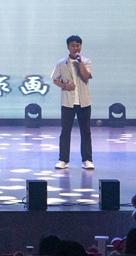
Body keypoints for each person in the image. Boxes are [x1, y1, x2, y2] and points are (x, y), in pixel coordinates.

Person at [52, 34, 94, 170]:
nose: (75, 48)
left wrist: (80, 62)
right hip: (68, 102)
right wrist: (65, 86)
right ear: (68, 47)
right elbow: (55, 79)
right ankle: (63, 160)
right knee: (65, 131)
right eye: (73, 45)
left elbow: (86, 75)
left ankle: (87, 159)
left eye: (78, 45)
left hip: (84, 102)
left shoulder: (86, 61)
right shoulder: (61, 63)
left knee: (85, 131)